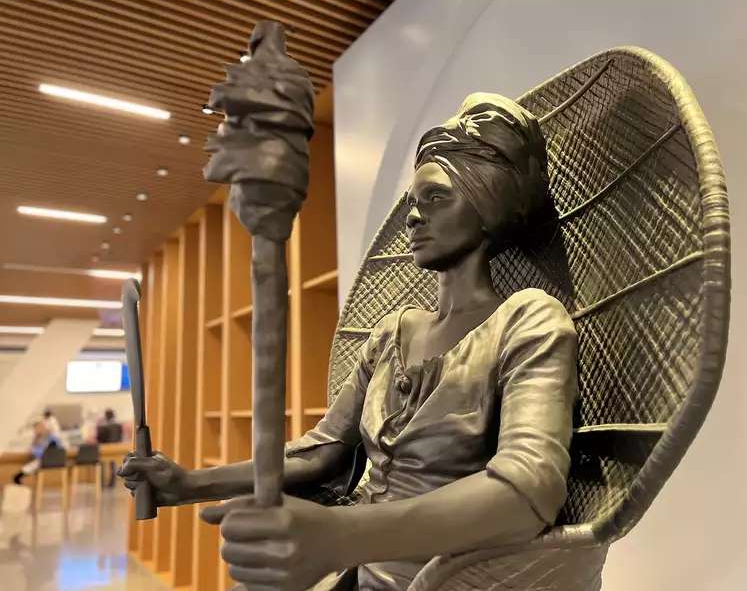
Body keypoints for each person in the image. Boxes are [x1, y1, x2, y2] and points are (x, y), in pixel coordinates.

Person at [119, 93, 576, 591]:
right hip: (353, 573)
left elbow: (528, 488)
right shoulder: (391, 332)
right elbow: (322, 451)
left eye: (436, 197)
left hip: (447, 578)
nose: (413, 217)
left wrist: (339, 535)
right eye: (413, 202)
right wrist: (189, 483)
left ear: (488, 204)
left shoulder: (527, 319)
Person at [13, 420, 63, 485]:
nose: (36, 430)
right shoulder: (39, 438)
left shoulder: (51, 438)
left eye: (39, 427)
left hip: (51, 461)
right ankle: (20, 475)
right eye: (36, 428)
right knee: (35, 464)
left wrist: (33, 450)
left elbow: (46, 452)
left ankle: (19, 475)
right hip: (48, 460)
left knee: (36, 464)